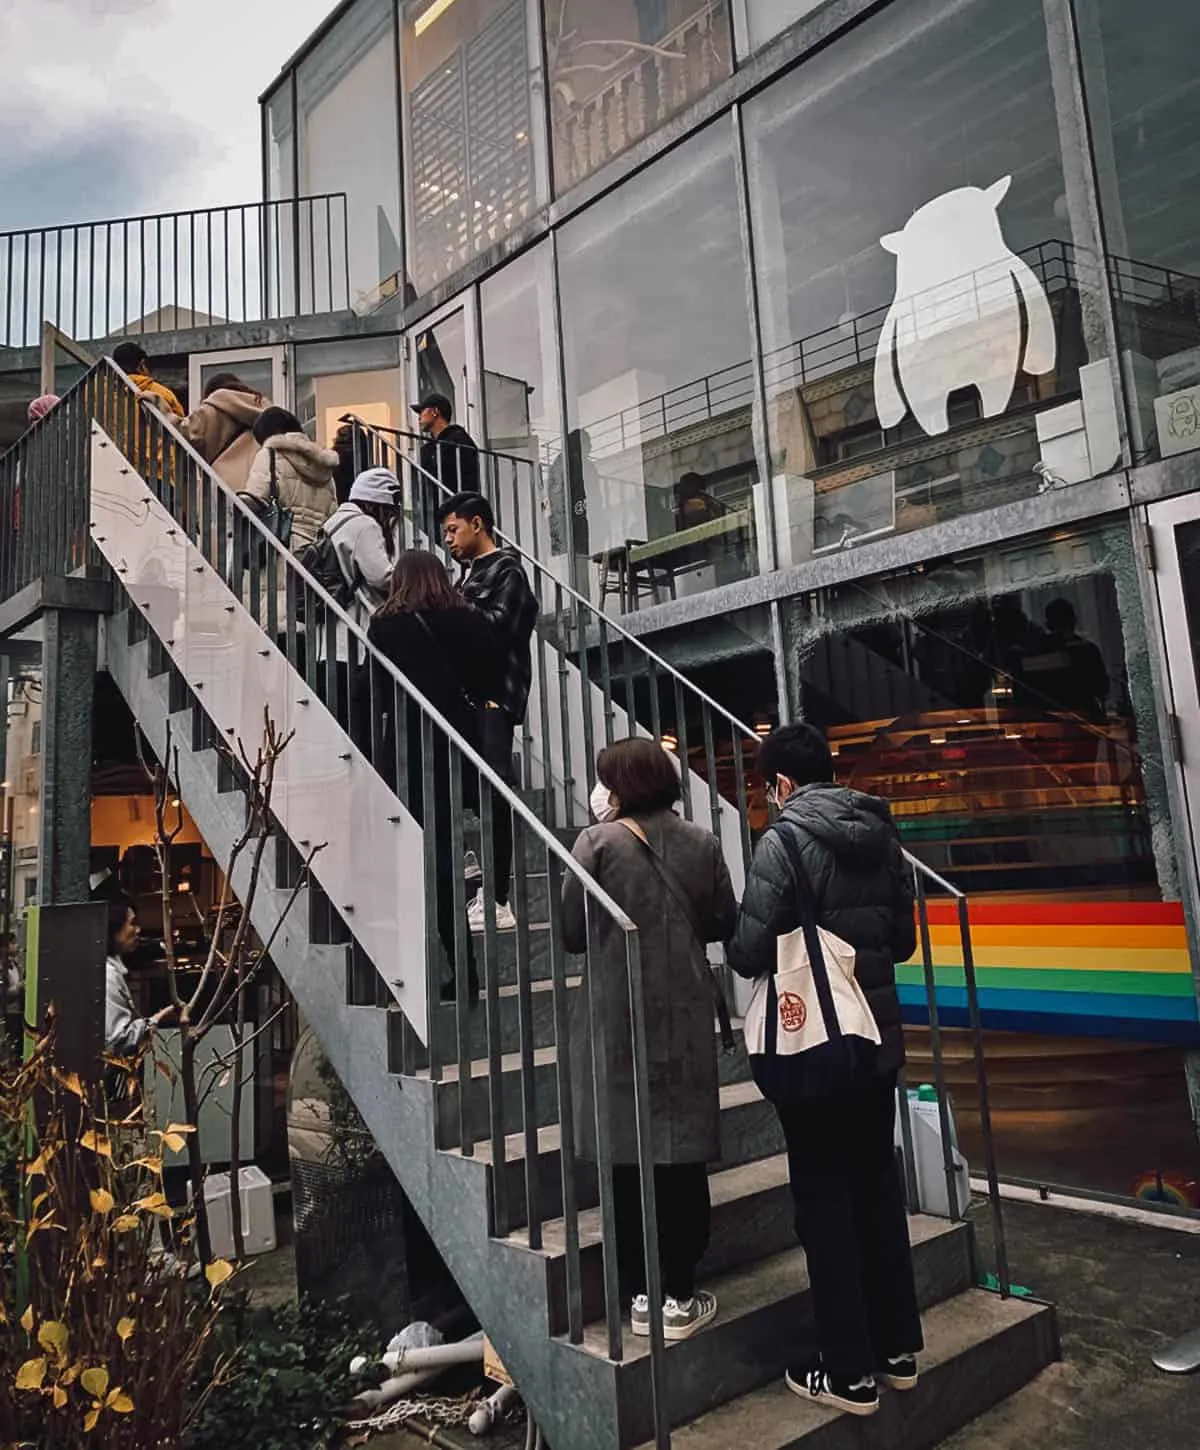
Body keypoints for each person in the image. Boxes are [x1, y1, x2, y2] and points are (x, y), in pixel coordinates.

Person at [727, 722, 921, 1417]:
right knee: (877, 1186)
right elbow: (901, 941)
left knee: (825, 1203)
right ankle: (897, 1348)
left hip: (815, 1047)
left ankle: (847, 1372)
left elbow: (750, 950)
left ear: (780, 783)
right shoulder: (881, 831)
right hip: (877, 1042)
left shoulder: (781, 841)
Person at [562, 738, 736, 1340]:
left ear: (619, 785)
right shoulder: (701, 841)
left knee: (626, 1152)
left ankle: (638, 1295)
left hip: (615, 1014)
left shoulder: (597, 843)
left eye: (604, 777)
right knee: (681, 1154)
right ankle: (680, 1296)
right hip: (684, 1009)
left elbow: (570, 934)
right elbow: (721, 921)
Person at [367, 551, 499, 1001]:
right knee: (445, 853)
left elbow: (380, 696)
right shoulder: (468, 619)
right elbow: (486, 681)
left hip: (407, 750)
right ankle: (464, 971)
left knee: (405, 860)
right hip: (457, 747)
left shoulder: (386, 626)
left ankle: (411, 968)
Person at [438, 492, 537, 931]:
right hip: (470, 698)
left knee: (494, 791)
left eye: (453, 529)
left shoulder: (507, 570)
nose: (448, 540)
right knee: (467, 787)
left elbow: (502, 627)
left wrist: (450, 609)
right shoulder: (466, 576)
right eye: (444, 533)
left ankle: (497, 898)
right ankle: (477, 873)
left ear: (478, 524)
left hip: (494, 696)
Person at [319, 467, 403, 734]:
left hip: (329, 640)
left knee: (339, 723)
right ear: (376, 503)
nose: (389, 518)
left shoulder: (333, 522)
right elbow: (382, 576)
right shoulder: (365, 525)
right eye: (388, 511)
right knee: (363, 725)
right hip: (355, 640)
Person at [241, 407, 338, 555]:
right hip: (319, 551)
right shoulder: (324, 466)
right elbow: (333, 514)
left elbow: (256, 497)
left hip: (284, 546)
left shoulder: (269, 455)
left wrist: (232, 503)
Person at [105, 894, 174, 1064]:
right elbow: (118, 1041)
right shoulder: (108, 976)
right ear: (114, 928)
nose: (138, 930)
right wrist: (156, 1021)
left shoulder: (109, 969)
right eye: (132, 923)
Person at [180, 372, 270, 491]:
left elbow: (184, 431)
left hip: (222, 488)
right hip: (257, 488)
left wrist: (155, 402)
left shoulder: (213, 407)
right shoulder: (263, 410)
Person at [413, 393, 480, 494]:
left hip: (457, 505)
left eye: (422, 411)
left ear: (435, 412)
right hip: (437, 506)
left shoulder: (459, 441)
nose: (419, 417)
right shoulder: (428, 449)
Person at [111, 342, 184, 421]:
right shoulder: (162, 393)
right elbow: (179, 424)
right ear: (141, 365)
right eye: (147, 366)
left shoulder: (105, 394)